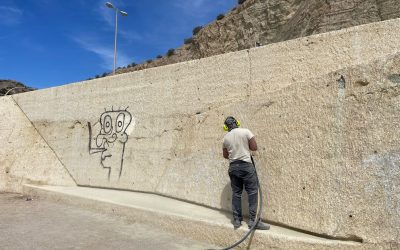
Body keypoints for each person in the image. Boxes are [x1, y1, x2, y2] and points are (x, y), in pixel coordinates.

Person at [222, 116, 270, 230]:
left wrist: (235, 153)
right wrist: (244, 149)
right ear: (237, 123)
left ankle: (237, 220)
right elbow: (254, 147)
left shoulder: (225, 138)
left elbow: (225, 155)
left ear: (226, 127)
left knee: (236, 193)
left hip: (233, 167)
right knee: (252, 192)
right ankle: (254, 221)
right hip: (246, 166)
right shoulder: (246, 131)